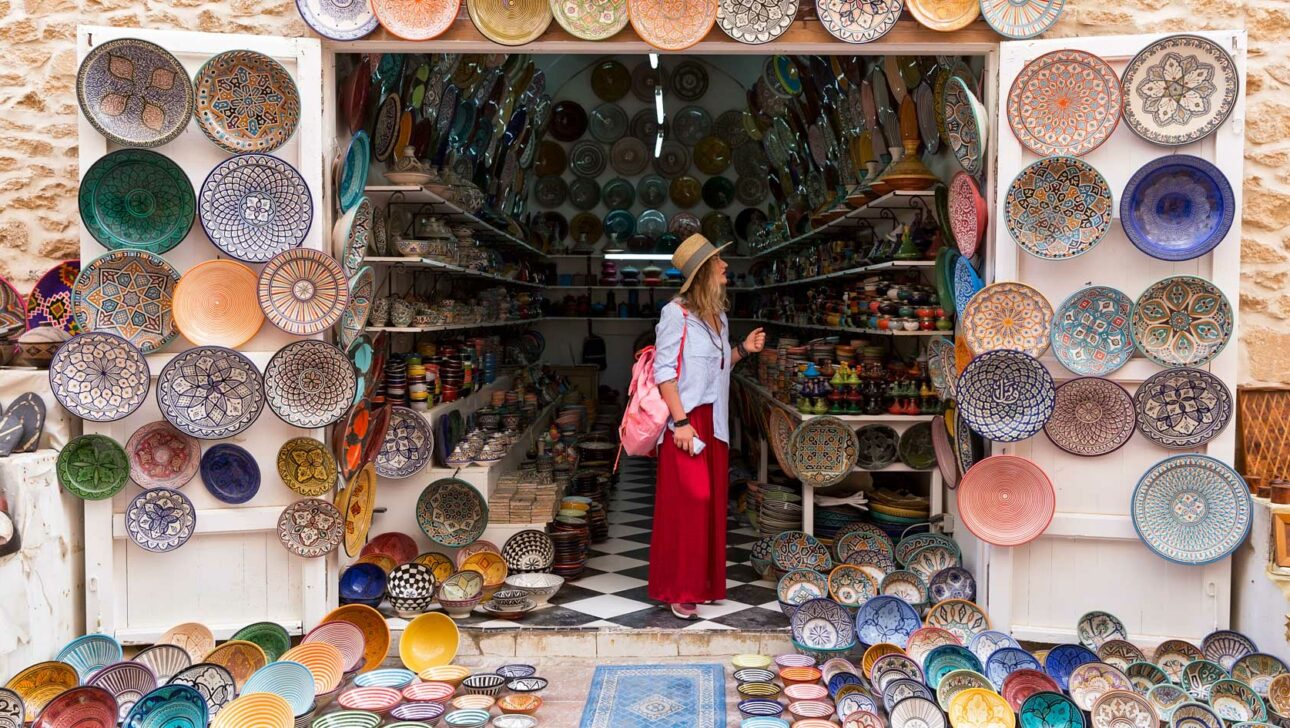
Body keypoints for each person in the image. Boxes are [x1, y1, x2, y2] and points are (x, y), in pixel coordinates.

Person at [649, 234, 766, 620]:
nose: (725, 266)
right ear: (702, 273)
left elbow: (718, 366)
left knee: (711, 504)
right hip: (687, 420)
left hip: (714, 422)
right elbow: (664, 374)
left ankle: (705, 586)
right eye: (718, 261)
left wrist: (743, 349)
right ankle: (679, 588)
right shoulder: (675, 314)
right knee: (690, 502)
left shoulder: (719, 317)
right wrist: (680, 422)